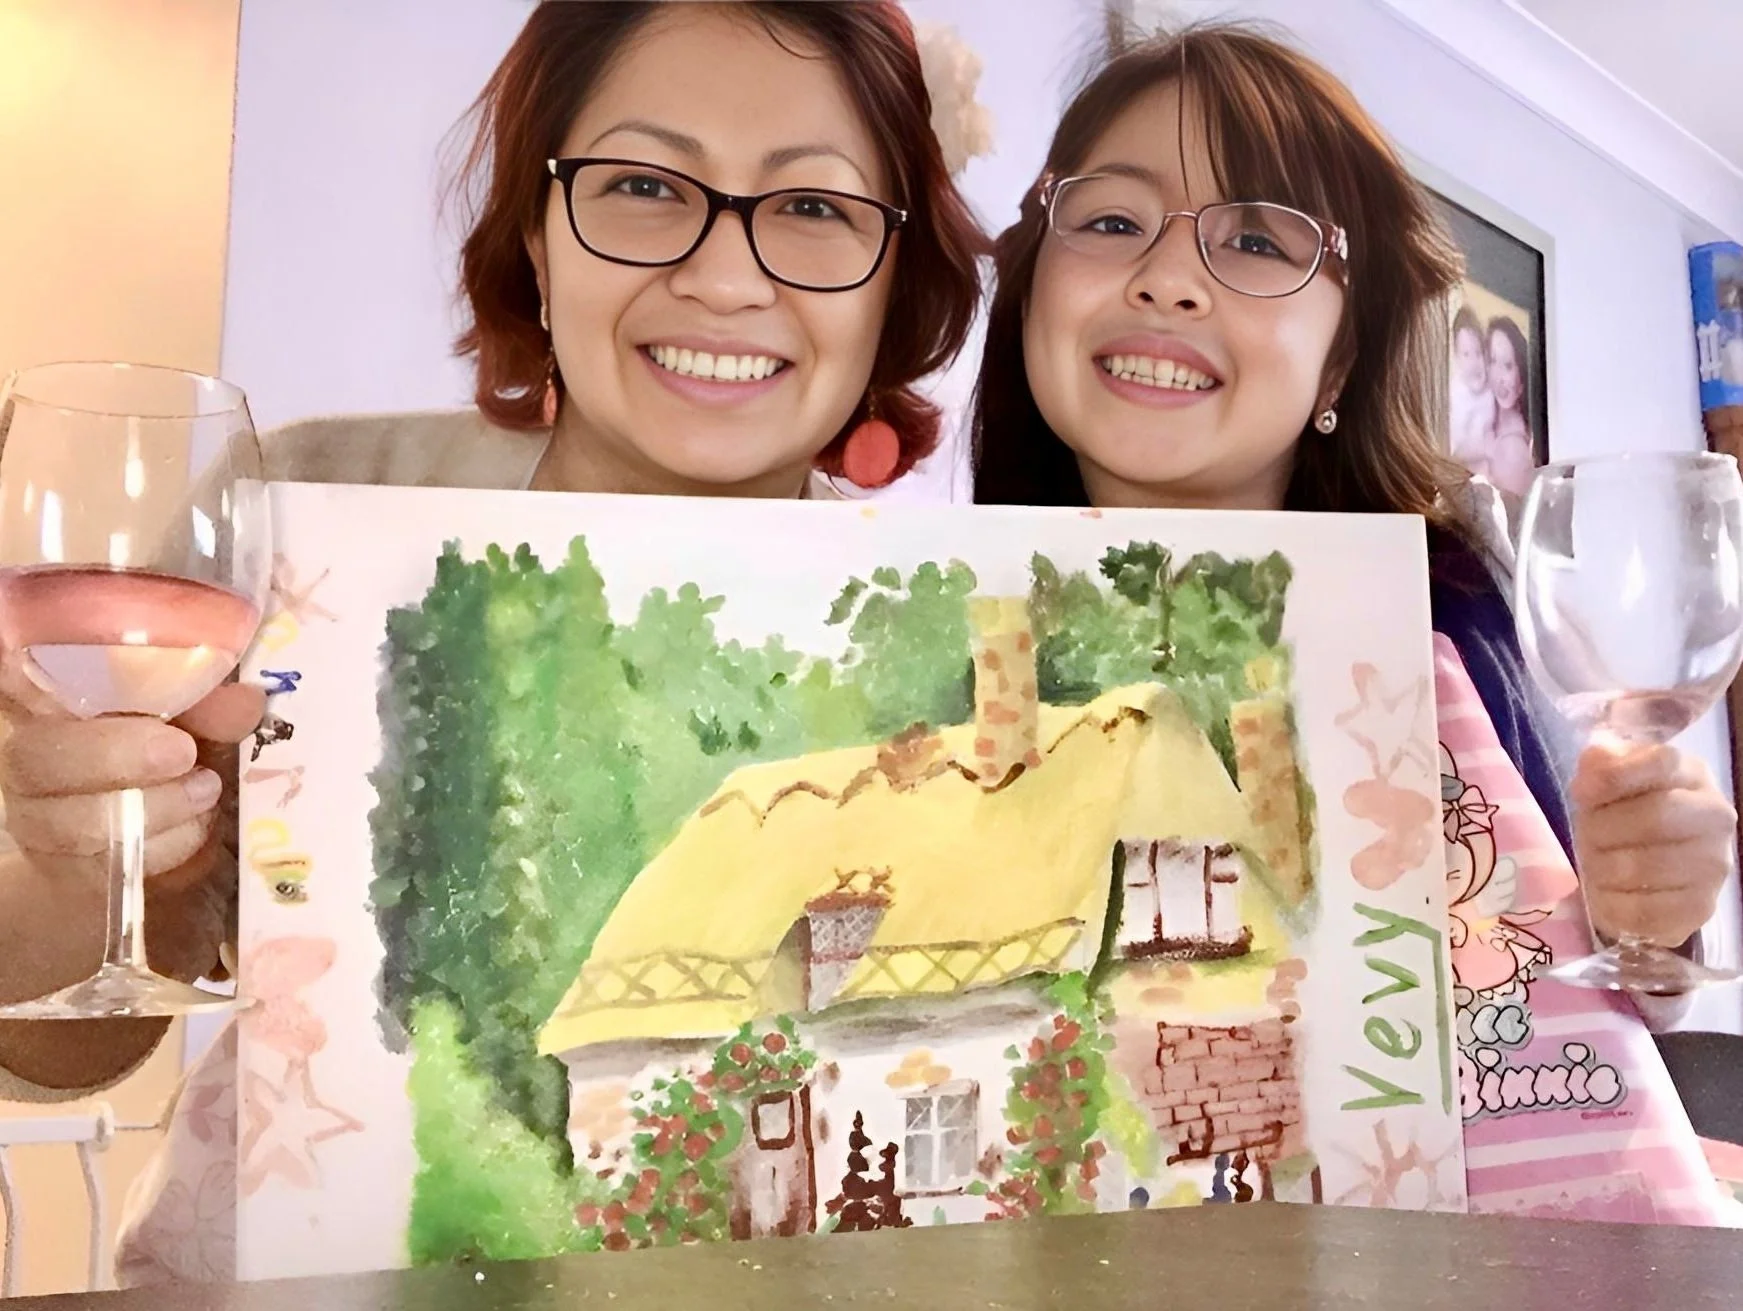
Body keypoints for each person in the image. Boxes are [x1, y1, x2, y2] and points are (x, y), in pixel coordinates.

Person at [0, 0, 985, 1283]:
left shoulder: (946, 637)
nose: (727, 276)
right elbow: (68, 1043)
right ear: (535, 226)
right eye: (641, 184)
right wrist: (74, 861)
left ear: (895, 271)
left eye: (812, 207)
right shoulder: (310, 503)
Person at [972, 20, 1736, 1216]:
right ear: (1031, 293)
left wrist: (1659, 912)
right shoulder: (942, 661)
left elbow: (1551, 1005)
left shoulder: (1450, 620)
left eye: (1257, 240)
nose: (1167, 276)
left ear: (1338, 370)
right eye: (1111, 220)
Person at [1484, 315, 1537, 497]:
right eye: (1492, 361)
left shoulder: (1512, 447)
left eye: (1508, 365)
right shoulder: (1489, 429)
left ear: (1521, 375)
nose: (1499, 377)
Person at [1447, 303, 1496, 472]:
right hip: (1465, 476)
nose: (1474, 363)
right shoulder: (1455, 394)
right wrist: (1488, 450)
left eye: (1478, 353)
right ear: (1456, 356)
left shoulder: (1490, 388)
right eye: (1466, 354)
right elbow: (1454, 453)